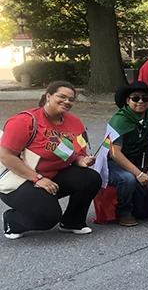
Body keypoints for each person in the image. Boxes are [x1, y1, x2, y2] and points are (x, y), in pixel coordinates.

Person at [0, 81, 101, 239]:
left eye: (71, 99)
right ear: (48, 96)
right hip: (20, 179)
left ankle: (72, 221)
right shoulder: (25, 121)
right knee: (48, 218)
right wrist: (37, 178)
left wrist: (81, 161)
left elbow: (75, 154)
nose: (67, 101)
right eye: (62, 96)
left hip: (51, 177)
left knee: (90, 178)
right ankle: (12, 220)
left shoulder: (74, 123)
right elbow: (6, 155)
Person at [106, 81, 148, 227]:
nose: (140, 101)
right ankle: (123, 211)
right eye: (135, 98)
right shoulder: (119, 120)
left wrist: (146, 170)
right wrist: (138, 174)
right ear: (128, 101)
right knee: (128, 179)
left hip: (135, 165)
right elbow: (114, 153)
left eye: (145, 98)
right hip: (114, 165)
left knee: (143, 212)